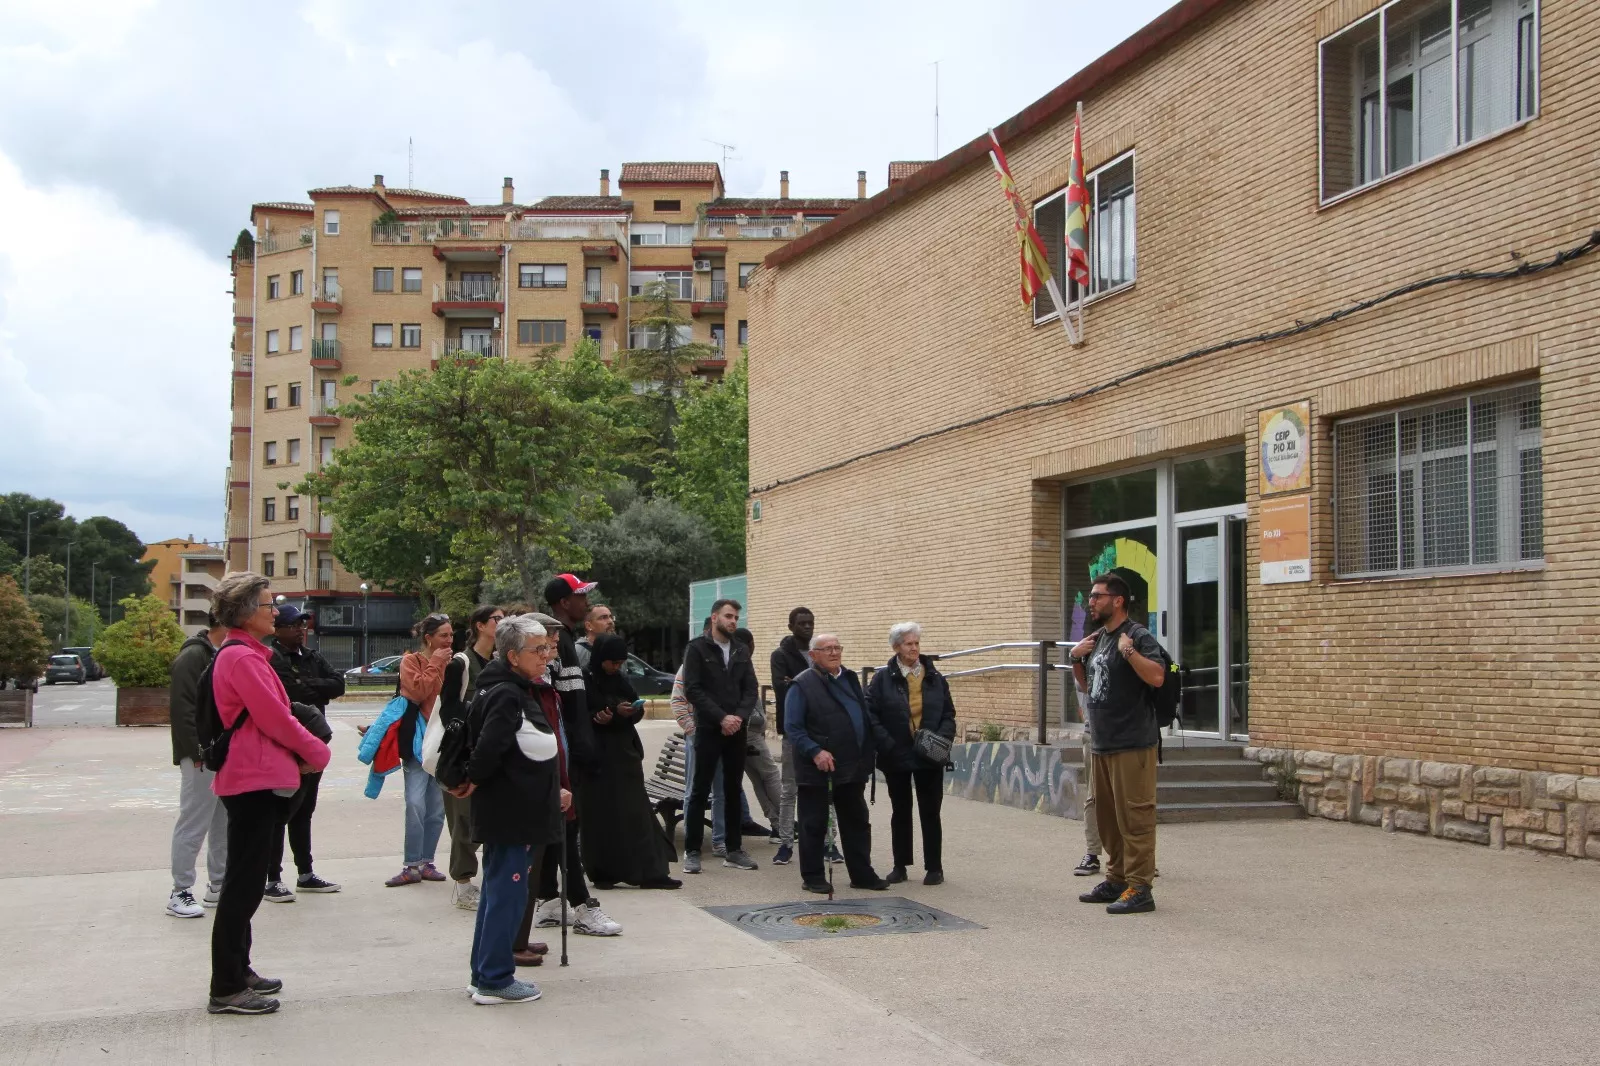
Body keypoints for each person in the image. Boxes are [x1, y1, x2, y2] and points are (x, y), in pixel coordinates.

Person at [206, 572, 332, 1015]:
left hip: (257, 776)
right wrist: (317, 751)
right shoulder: (241, 659)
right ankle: (225, 986)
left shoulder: (249, 654)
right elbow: (275, 719)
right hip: (251, 779)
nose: (274, 611)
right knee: (243, 886)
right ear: (245, 612)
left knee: (248, 882)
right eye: (266, 604)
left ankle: (240, 971)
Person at [448, 614, 565, 1005]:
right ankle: (495, 981)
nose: (547, 656)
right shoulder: (505, 693)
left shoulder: (508, 687)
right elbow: (489, 749)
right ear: (513, 656)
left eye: (548, 648)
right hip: (511, 815)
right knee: (506, 896)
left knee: (499, 894)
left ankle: (484, 974)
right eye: (539, 650)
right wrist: (474, 780)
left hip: (516, 812)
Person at [1069, 574, 1165, 915]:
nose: (1091, 601)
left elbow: (1157, 676)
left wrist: (1130, 654)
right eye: (1092, 596)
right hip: (1102, 742)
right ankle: (1117, 877)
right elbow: (1086, 685)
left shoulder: (1136, 636)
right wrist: (1077, 659)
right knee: (1108, 819)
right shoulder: (1099, 638)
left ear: (1118, 600)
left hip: (1132, 742)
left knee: (1135, 816)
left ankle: (1140, 888)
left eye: (1097, 596)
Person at [532, 582, 620, 937]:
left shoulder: (564, 642)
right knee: (565, 827)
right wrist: (582, 751)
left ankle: (550, 899)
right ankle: (583, 905)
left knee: (561, 829)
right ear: (563, 602)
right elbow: (565, 709)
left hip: (566, 749)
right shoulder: (561, 643)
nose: (550, 649)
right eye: (580, 596)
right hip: (561, 754)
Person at [785, 633, 887, 894]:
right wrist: (815, 751)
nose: (833, 653)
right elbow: (793, 729)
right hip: (818, 768)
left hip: (852, 765)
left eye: (837, 648)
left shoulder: (850, 678)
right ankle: (813, 876)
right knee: (813, 823)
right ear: (813, 655)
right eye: (826, 649)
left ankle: (862, 874)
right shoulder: (802, 685)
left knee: (857, 821)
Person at [578, 633, 681, 889]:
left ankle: (650, 872)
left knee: (635, 814)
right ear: (600, 658)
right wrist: (607, 714)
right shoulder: (585, 679)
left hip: (624, 757)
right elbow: (580, 714)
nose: (615, 667)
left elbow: (635, 710)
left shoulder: (619, 680)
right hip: (597, 759)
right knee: (601, 816)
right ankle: (604, 872)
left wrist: (631, 711)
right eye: (611, 662)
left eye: (619, 663)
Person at [263, 604, 344, 901]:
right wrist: (313, 688)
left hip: (314, 744)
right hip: (286, 746)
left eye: (303, 624)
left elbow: (338, 684)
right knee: (280, 812)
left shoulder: (311, 657)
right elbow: (287, 693)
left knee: (304, 811)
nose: (301, 629)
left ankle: (305, 873)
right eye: (294, 624)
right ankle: (272, 877)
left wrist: (308, 684)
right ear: (279, 629)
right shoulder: (271, 658)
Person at [866, 622, 956, 887]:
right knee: (901, 810)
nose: (914, 648)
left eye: (916, 643)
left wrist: (941, 739)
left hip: (929, 753)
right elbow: (871, 715)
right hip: (896, 753)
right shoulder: (882, 679)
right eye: (908, 644)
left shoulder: (934, 676)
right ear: (896, 647)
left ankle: (934, 867)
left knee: (931, 811)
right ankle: (900, 865)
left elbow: (949, 714)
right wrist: (887, 744)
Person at [680, 599, 761, 874]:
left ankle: (734, 849)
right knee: (700, 790)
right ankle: (692, 851)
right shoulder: (696, 648)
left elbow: (751, 688)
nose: (733, 621)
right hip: (709, 729)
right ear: (714, 617)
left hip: (736, 731)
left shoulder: (740, 650)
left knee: (732, 789)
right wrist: (721, 717)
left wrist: (738, 717)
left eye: (736, 617)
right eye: (728, 616)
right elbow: (693, 689)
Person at [438, 603, 502, 910]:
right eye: (496, 619)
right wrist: (463, 733)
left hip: (493, 752)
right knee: (464, 821)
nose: (501, 623)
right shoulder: (461, 663)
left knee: (490, 817)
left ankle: (489, 880)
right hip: (463, 754)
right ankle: (463, 884)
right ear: (479, 625)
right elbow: (447, 709)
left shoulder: (504, 661)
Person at [166, 613, 229, 919]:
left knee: (222, 821)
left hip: (222, 753)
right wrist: (198, 751)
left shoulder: (222, 653)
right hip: (202, 755)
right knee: (194, 820)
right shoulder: (194, 655)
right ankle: (180, 891)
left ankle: (218, 884)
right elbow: (182, 708)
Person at [385, 613, 453, 887]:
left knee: (437, 808)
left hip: (443, 742)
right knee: (415, 803)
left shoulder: (454, 663)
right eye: (443, 636)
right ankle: (411, 865)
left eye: (451, 635)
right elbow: (416, 692)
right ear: (428, 638)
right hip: (416, 742)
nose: (449, 640)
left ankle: (427, 861)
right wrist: (436, 663)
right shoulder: (411, 661)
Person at [767, 607, 814, 866]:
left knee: (825, 791)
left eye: (810, 623)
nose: (807, 627)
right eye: (801, 623)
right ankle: (786, 843)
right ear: (791, 626)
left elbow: (827, 686)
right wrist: (811, 687)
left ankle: (830, 843)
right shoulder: (781, 655)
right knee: (789, 789)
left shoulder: (820, 651)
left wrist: (797, 683)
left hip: (820, 732)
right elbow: (783, 689)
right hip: (793, 731)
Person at [733, 628, 783, 840]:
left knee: (758, 780)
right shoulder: (741, 667)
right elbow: (747, 708)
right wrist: (761, 721)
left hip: (741, 735)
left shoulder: (730, 664)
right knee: (771, 776)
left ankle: (777, 824)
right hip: (750, 734)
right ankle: (787, 821)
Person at [573, 603, 614, 669]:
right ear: (589, 626)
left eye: (611, 617)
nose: (610, 621)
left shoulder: (617, 650)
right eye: (603, 617)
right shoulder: (576, 652)